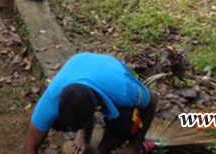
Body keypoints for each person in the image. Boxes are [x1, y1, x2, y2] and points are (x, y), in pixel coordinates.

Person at [23, 53, 157, 154]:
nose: (72, 133)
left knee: (124, 124)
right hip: (80, 64)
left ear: (97, 109)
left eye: (77, 128)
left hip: (109, 70)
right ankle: (85, 134)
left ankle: (103, 150)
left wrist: (134, 145)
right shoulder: (51, 100)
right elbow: (30, 146)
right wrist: (82, 136)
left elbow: (152, 102)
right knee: (54, 120)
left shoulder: (124, 91)